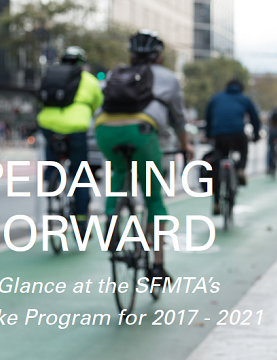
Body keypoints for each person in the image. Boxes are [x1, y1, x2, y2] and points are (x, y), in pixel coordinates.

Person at [95, 30, 192, 284]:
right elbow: (179, 120)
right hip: (141, 132)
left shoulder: (116, 75)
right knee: (152, 196)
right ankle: (158, 267)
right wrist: (186, 147)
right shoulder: (169, 78)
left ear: (131, 55)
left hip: (104, 129)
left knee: (119, 172)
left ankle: (112, 221)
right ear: (159, 57)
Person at [37, 46, 103, 236]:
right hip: (76, 128)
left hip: (48, 125)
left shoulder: (51, 75)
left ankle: (52, 182)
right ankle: (81, 222)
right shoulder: (89, 80)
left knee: (53, 159)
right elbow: (97, 104)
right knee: (80, 174)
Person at [203, 79, 260, 215]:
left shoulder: (216, 98)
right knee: (244, 146)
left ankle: (216, 203)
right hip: (237, 136)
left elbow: (208, 117)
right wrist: (256, 134)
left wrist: (208, 134)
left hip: (219, 137)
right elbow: (254, 118)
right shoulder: (244, 99)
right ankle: (240, 169)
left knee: (216, 166)